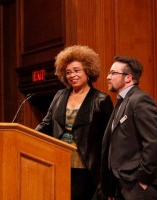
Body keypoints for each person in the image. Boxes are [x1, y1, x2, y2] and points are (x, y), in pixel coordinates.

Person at [35, 45, 113, 200]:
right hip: (58, 162)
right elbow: (46, 123)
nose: (72, 75)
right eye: (68, 72)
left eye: (77, 70)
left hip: (85, 167)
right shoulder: (59, 95)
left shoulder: (101, 100)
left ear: (88, 71)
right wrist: (25, 136)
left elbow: (109, 138)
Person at [100, 56, 157, 200]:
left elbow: (154, 141)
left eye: (112, 73)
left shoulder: (140, 100)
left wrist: (143, 178)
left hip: (139, 186)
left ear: (128, 78)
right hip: (122, 186)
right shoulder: (122, 101)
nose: (108, 77)